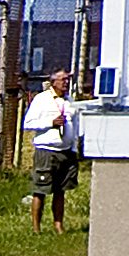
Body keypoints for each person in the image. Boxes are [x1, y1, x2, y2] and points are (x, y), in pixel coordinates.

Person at [21, 65, 84, 230]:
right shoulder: (42, 99)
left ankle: (59, 226)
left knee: (61, 190)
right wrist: (50, 123)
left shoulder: (69, 101)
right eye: (63, 80)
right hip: (47, 151)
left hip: (66, 151)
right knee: (40, 190)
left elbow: (75, 125)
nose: (66, 83)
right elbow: (28, 124)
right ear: (53, 82)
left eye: (67, 80)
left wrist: (75, 147)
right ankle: (36, 228)